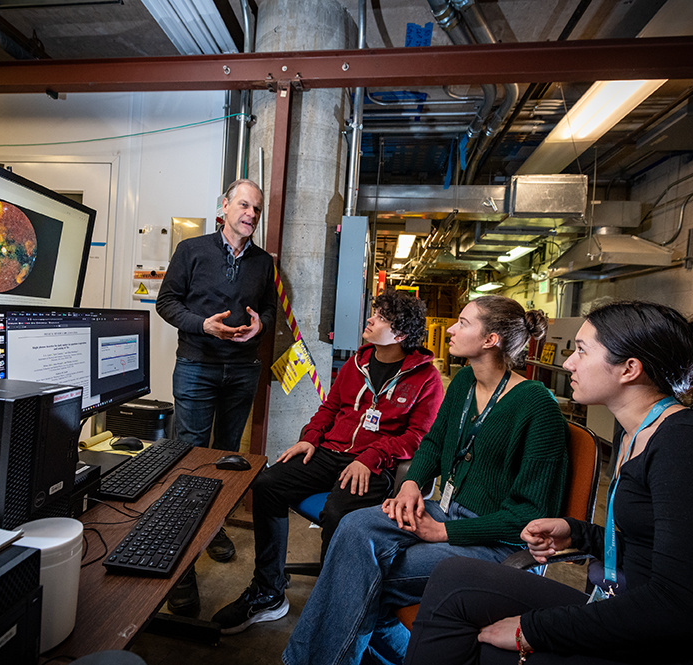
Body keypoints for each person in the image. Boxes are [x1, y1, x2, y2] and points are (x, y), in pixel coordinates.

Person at [403, 300, 693, 665]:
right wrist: (578, 534)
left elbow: (679, 608)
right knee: (453, 578)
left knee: (483, 644)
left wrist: (532, 629)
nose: (567, 363)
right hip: (641, 608)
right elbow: (650, 547)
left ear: (629, 368)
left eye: (581, 350)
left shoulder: (687, 448)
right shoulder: (637, 435)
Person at [283, 295, 570, 665]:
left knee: (365, 572)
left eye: (463, 323)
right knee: (353, 527)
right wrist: (410, 485)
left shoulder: (536, 405)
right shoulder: (465, 380)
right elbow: (433, 443)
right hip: (444, 511)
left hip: (492, 540)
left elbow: (528, 517)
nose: (450, 328)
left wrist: (442, 533)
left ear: (490, 340)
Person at [212, 291, 445, 634]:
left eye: (380, 317)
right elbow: (329, 409)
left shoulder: (426, 378)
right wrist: (309, 437)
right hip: (329, 452)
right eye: (374, 312)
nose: (370, 319)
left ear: (400, 336)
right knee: (267, 485)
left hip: (374, 465)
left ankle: (329, 604)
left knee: (337, 514)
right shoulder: (357, 363)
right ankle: (268, 592)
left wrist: (371, 457)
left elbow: (418, 436)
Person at [155, 178, 276, 613]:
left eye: (257, 209)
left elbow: (269, 309)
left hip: (242, 370)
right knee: (187, 456)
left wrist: (261, 324)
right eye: (244, 205)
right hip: (197, 366)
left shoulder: (263, 263)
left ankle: (214, 526)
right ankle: (180, 556)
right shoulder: (191, 251)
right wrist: (202, 325)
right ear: (224, 206)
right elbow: (166, 303)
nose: (251, 215)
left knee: (226, 455)